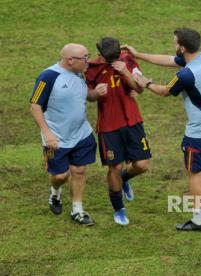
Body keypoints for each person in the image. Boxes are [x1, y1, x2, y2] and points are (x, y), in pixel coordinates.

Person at [123, 28, 201, 231]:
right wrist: (137, 54)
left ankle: (198, 220)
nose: (174, 46)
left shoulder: (186, 75)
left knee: (196, 173)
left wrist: (145, 82)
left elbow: (165, 91)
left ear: (182, 47)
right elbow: (169, 60)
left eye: (175, 43)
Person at [29, 43, 107, 226]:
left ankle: (77, 210)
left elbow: (86, 95)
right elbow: (34, 105)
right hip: (55, 138)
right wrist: (47, 133)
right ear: (70, 60)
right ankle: (55, 192)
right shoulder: (48, 77)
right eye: (85, 58)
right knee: (60, 176)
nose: (88, 61)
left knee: (79, 171)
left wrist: (96, 93)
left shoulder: (80, 73)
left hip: (81, 134)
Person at [85, 37, 151, 225]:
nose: (112, 61)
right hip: (108, 126)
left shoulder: (128, 61)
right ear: (100, 54)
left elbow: (140, 88)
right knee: (115, 166)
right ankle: (119, 209)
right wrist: (96, 93)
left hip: (132, 121)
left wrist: (126, 74)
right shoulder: (92, 68)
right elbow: (89, 96)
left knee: (142, 165)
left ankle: (124, 179)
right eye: (108, 58)